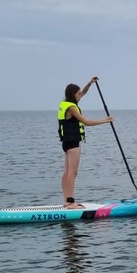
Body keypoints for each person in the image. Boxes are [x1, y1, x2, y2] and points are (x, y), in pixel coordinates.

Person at [59, 76, 112, 209]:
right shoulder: (72, 108)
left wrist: (90, 83)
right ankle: (71, 202)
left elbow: (83, 92)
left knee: (67, 172)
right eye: (78, 94)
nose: (80, 95)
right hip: (73, 143)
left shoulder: (65, 103)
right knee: (73, 172)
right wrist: (105, 120)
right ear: (73, 95)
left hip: (66, 143)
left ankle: (66, 200)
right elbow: (86, 122)